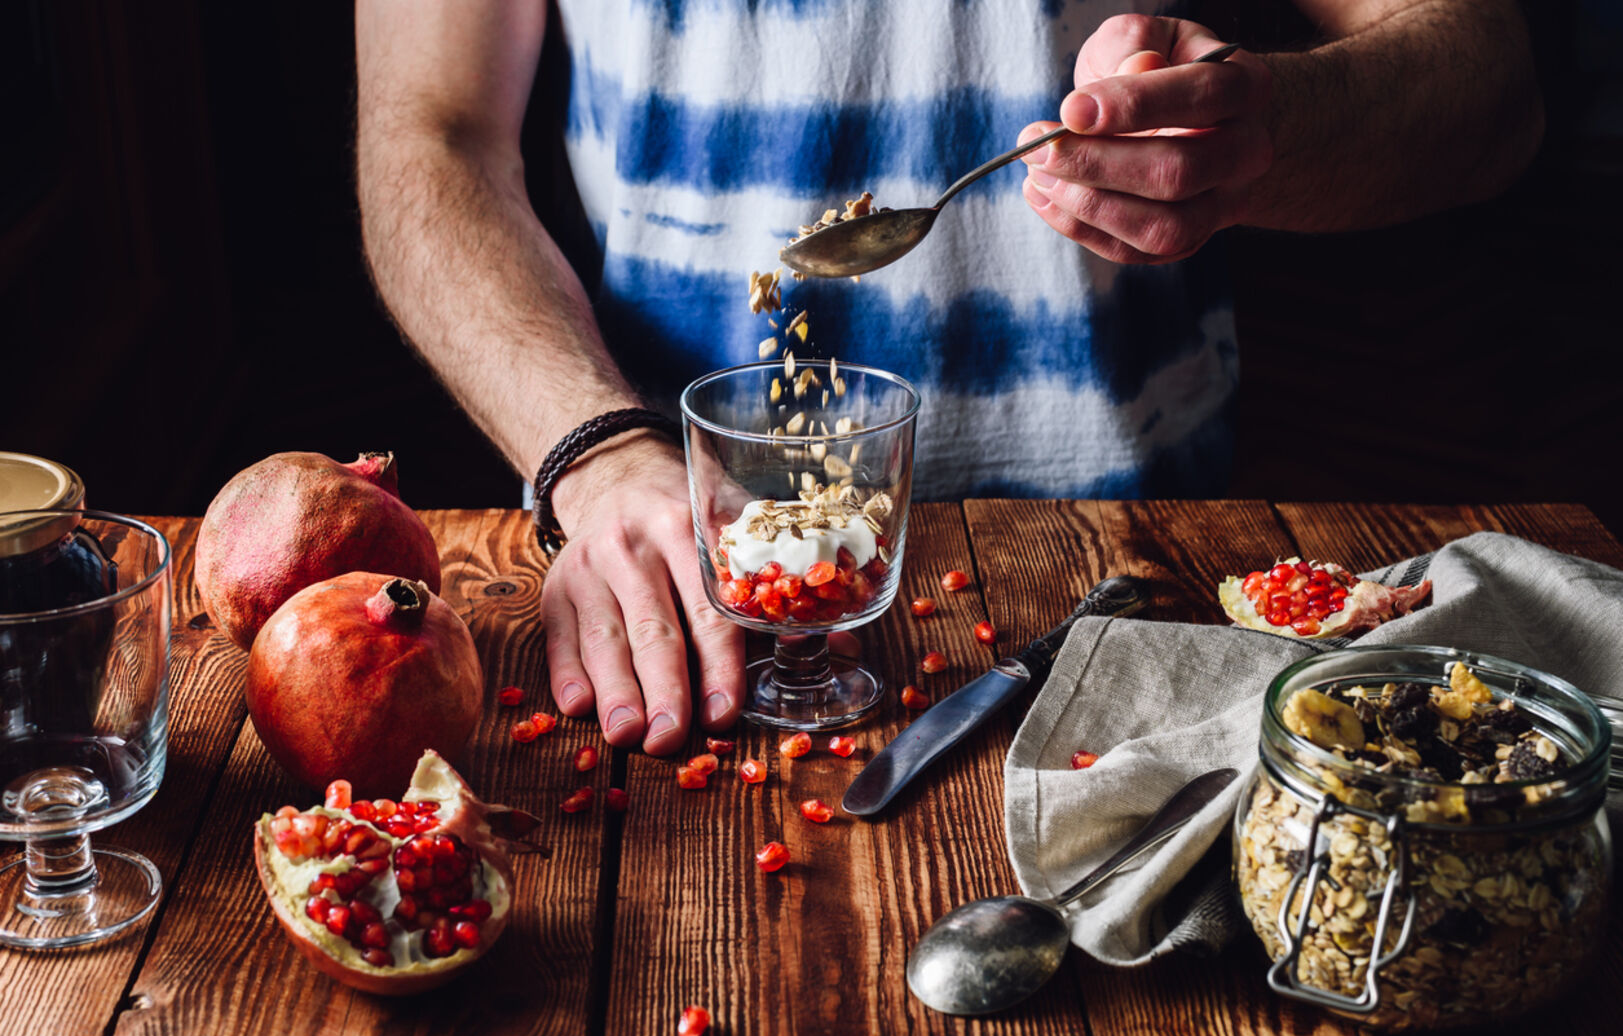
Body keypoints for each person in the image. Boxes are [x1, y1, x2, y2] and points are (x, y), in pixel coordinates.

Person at [355, 1, 1543, 756]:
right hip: (676, 574)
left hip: (1142, 572)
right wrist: (594, 456)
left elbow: (1489, 84)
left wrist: (1261, 129)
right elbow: (431, 134)